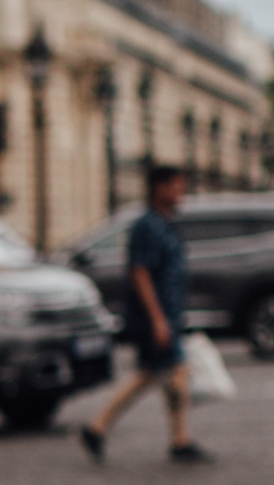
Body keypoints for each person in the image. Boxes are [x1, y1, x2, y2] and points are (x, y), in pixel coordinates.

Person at [79, 162, 209, 465]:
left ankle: (173, 437)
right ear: (159, 188)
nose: (182, 192)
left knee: (156, 374)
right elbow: (140, 273)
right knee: (168, 372)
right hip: (155, 317)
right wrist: (158, 319)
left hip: (167, 314)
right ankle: (102, 427)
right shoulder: (147, 225)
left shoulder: (165, 222)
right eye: (176, 186)